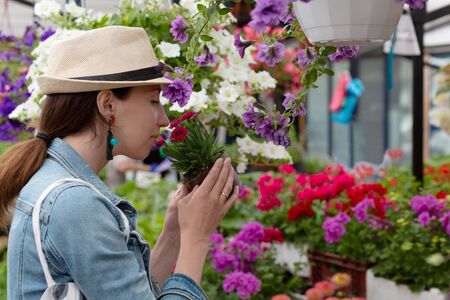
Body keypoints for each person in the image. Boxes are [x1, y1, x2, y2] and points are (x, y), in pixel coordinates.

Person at [0, 26, 239, 299]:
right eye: (152, 101)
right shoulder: (73, 202)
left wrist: (175, 232)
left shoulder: (58, 182)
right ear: (108, 105)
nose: (164, 119)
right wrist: (197, 238)